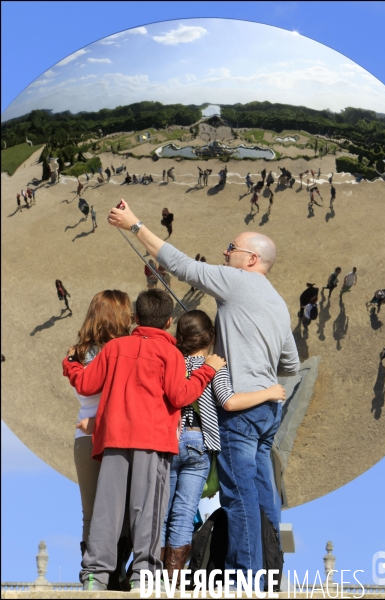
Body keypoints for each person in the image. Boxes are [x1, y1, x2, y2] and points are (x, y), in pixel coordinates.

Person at [107, 199, 300, 591]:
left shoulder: (237, 282)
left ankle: (247, 580)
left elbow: (181, 265)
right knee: (265, 497)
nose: (225, 252)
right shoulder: (278, 303)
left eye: (231, 248)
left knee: (238, 496)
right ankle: (270, 574)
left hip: (241, 413)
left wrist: (134, 224)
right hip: (268, 411)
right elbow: (292, 365)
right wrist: (258, 371)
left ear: (250, 259)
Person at [62, 289, 226, 591]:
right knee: (146, 508)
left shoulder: (115, 348)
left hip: (113, 439)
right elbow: (181, 396)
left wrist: (70, 363)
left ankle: (95, 576)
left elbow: (85, 384)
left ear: (136, 318)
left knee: (106, 509)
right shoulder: (171, 354)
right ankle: (143, 576)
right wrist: (207, 371)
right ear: (168, 322)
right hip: (153, 441)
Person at [161, 310, 286, 583]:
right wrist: (269, 392)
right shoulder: (214, 366)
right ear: (211, 338)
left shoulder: (170, 362)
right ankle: (173, 577)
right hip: (199, 443)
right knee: (183, 512)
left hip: (168, 442)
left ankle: (151, 573)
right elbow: (229, 402)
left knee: (163, 511)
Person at [68, 291, 132, 556]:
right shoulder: (125, 352)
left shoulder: (77, 354)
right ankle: (116, 574)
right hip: (118, 436)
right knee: (126, 515)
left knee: (91, 515)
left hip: (85, 438)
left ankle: (91, 576)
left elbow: (85, 392)